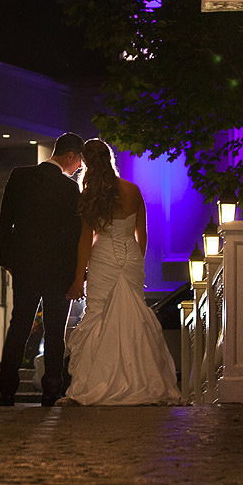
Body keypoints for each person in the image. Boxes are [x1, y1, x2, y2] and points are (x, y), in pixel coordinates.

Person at [60, 138, 181, 406]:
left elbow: (85, 241)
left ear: (87, 163)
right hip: (131, 259)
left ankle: (94, 384)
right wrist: (135, 263)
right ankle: (141, 381)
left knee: (100, 317)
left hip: (103, 258)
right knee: (133, 316)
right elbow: (143, 236)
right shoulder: (133, 190)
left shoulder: (90, 196)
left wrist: (79, 278)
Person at [0, 132, 85, 406]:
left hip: (26, 267)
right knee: (55, 332)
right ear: (70, 156)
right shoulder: (70, 189)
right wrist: (77, 275)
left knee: (18, 327)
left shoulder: (20, 176)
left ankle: (7, 390)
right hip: (59, 271)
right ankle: (51, 390)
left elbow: (5, 220)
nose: (79, 167)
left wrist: (7, 259)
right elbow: (74, 235)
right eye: (79, 161)